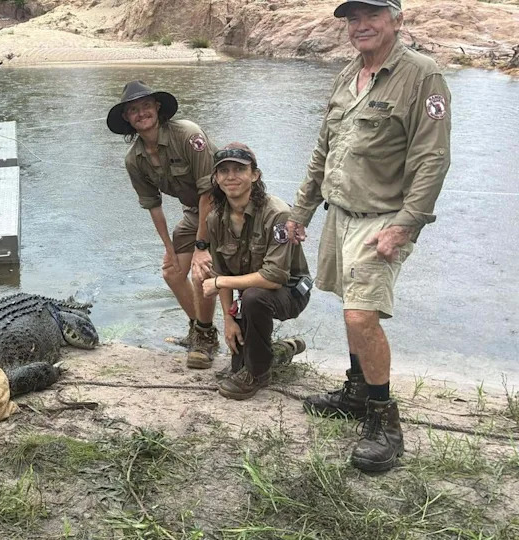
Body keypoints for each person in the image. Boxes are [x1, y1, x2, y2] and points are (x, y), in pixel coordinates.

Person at [285, 0, 451, 472]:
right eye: (353, 19)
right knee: (348, 302)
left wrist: (406, 223)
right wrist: (302, 210)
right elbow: (324, 149)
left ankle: (385, 422)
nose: (361, 26)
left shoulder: (422, 75)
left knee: (361, 315)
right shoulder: (346, 75)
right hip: (339, 212)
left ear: (397, 20)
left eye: (372, 16)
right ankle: (357, 391)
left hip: (383, 218)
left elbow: (432, 158)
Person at [107, 81, 220, 368]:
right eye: (133, 110)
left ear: (158, 108)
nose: (141, 113)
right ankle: (201, 331)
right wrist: (169, 248)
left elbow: (209, 191)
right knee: (172, 272)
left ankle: (204, 338)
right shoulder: (134, 159)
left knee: (200, 271)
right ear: (126, 118)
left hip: (226, 208)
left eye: (146, 106)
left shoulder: (188, 134)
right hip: (195, 212)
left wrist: (201, 245)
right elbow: (152, 204)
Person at [200, 143, 311, 400]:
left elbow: (273, 277)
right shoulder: (215, 218)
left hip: (290, 291)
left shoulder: (279, 214)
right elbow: (220, 271)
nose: (231, 176)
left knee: (253, 297)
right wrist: (228, 320)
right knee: (237, 363)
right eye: (224, 171)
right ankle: (282, 350)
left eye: (239, 169)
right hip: (250, 290)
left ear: (255, 175)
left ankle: (258, 373)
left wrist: (218, 283)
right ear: (216, 179)